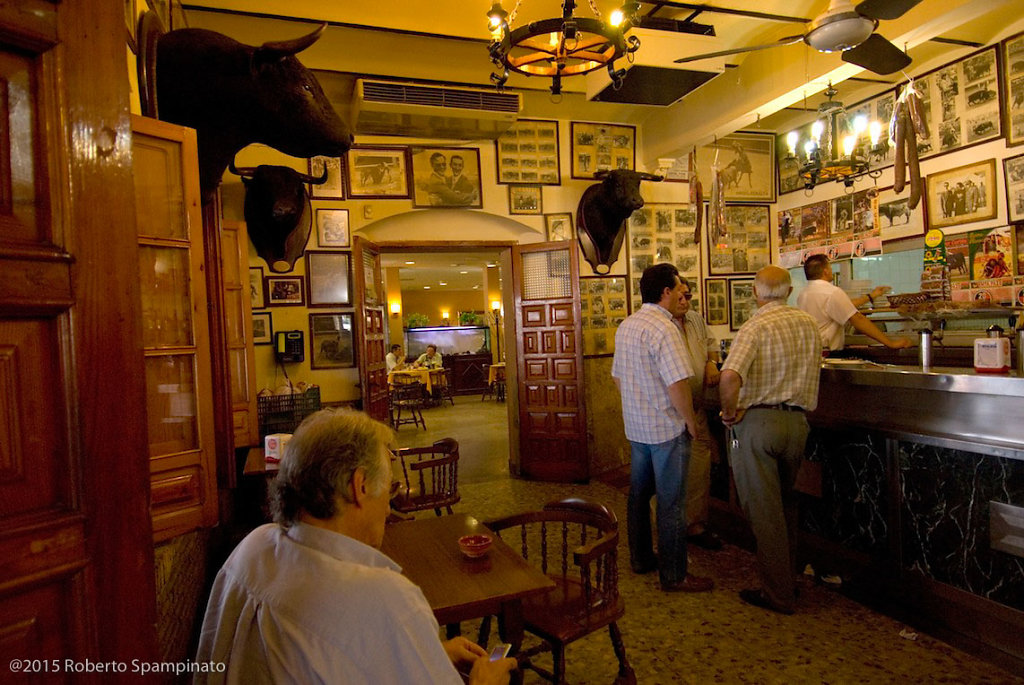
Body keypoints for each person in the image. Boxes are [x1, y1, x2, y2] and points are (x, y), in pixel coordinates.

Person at [195, 409, 516, 685]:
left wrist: (420, 653)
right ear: (360, 486)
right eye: (389, 488)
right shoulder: (385, 598)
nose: (389, 508)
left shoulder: (252, 548)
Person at [719, 265, 821, 615]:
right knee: (786, 506)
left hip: (760, 423)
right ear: (790, 291)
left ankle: (778, 596)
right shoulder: (808, 323)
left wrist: (729, 413)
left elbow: (730, 375)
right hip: (797, 424)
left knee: (764, 514)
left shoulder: (756, 325)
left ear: (755, 292)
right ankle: (788, 579)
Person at [611, 263, 714, 593]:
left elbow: (617, 377)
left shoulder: (627, 325)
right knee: (672, 503)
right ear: (666, 292)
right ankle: (674, 574)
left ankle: (640, 558)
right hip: (667, 430)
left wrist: (636, 403)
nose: (683, 295)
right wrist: (689, 421)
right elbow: (678, 384)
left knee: (639, 496)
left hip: (637, 427)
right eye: (680, 289)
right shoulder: (665, 328)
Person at [673, 277, 723, 551]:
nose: (685, 301)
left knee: (698, 469)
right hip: (670, 411)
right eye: (680, 296)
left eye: (688, 296)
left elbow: (711, 345)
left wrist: (711, 362)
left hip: (696, 407)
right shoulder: (661, 325)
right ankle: (670, 526)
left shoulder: (695, 319)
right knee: (671, 471)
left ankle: (695, 524)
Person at [797, 254, 911, 353]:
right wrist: (890, 343)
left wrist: (871, 296)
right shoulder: (832, 292)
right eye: (830, 267)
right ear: (825, 271)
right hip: (827, 352)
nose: (831, 270)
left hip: (809, 351)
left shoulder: (803, 294)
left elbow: (844, 306)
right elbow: (858, 319)